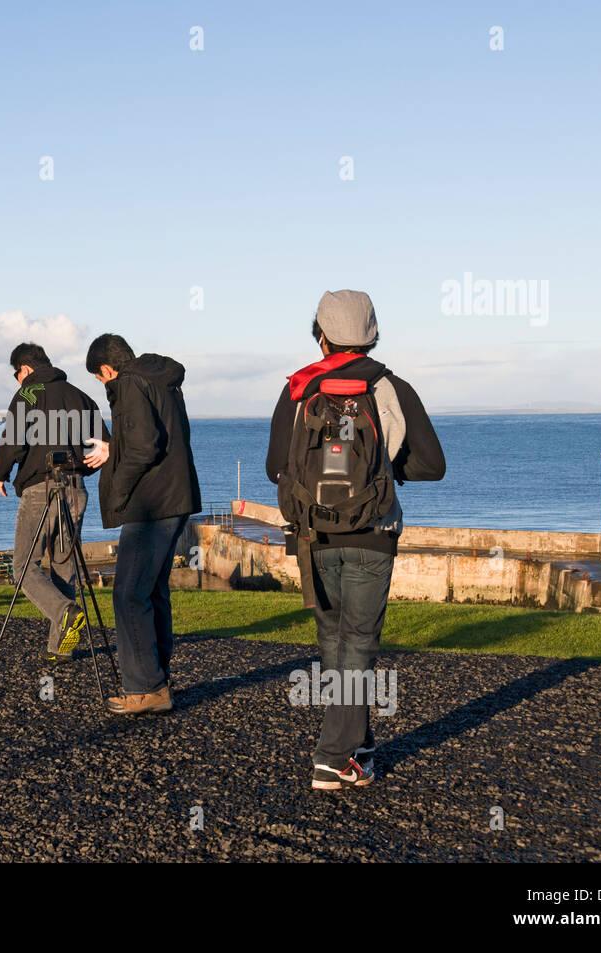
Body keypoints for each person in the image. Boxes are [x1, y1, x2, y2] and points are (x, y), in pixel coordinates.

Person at [267, 290, 445, 789]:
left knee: (336, 644)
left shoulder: (299, 389)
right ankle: (330, 757)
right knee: (359, 647)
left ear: (320, 335)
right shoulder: (392, 387)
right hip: (374, 533)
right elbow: (433, 465)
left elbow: (273, 468)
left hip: (315, 533)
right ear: (372, 335)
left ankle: (357, 751)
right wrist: (384, 471)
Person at [84, 333, 201, 715]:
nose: (103, 387)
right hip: (175, 496)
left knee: (129, 593)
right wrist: (113, 447)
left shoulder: (129, 383)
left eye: (100, 380)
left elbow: (143, 448)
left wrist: (118, 490)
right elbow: (156, 438)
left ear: (106, 369)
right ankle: (157, 681)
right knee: (151, 591)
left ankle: (145, 686)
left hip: (152, 503)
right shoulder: (159, 380)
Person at [0, 343, 109, 661]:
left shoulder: (27, 394)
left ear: (26, 370)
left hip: (39, 487)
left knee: (22, 567)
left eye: (17, 375)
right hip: (75, 487)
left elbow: (12, 442)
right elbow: (102, 445)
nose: (18, 381)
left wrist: (1, 473)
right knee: (63, 566)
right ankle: (60, 648)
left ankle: (63, 612)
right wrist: (83, 468)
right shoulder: (80, 397)